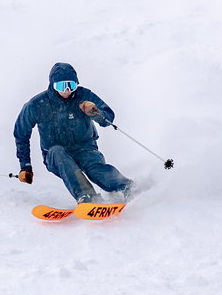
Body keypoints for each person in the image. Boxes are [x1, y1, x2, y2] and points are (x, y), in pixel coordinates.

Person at [14, 62, 133, 204]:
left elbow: (108, 118)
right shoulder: (37, 105)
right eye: (61, 86)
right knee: (58, 153)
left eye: (71, 85)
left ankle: (127, 187)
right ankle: (88, 198)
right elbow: (21, 134)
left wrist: (95, 112)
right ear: (52, 85)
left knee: (96, 171)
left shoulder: (84, 96)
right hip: (55, 155)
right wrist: (25, 166)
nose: (67, 90)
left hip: (85, 148)